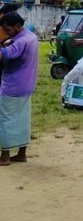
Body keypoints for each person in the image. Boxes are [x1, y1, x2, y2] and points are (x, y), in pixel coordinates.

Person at [0, 12, 39, 166]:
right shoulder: (31, 37)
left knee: (6, 119)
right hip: (27, 85)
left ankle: (5, 156)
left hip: (12, 86)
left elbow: (5, 55)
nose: (6, 32)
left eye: (7, 29)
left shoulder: (20, 42)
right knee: (22, 119)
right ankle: (22, 153)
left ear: (17, 26)